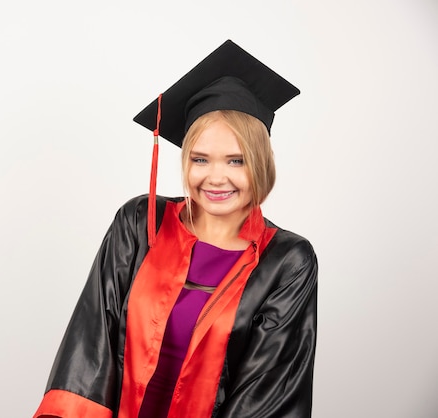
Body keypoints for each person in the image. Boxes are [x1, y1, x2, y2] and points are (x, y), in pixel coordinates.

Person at [33, 40, 318, 418]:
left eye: (236, 160)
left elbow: (268, 391)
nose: (216, 178)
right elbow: (90, 346)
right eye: (200, 159)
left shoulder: (286, 262)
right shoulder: (140, 223)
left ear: (260, 163)